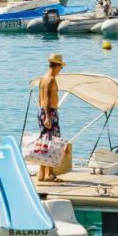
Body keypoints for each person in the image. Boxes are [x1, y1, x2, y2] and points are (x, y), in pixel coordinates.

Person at [38, 54, 65, 182]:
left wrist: (43, 114)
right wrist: (48, 116)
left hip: (42, 111)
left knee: (44, 142)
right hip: (50, 112)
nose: (61, 70)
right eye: (61, 67)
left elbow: (41, 98)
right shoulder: (51, 79)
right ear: (57, 66)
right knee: (53, 142)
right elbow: (47, 99)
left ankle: (41, 173)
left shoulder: (43, 78)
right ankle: (50, 174)